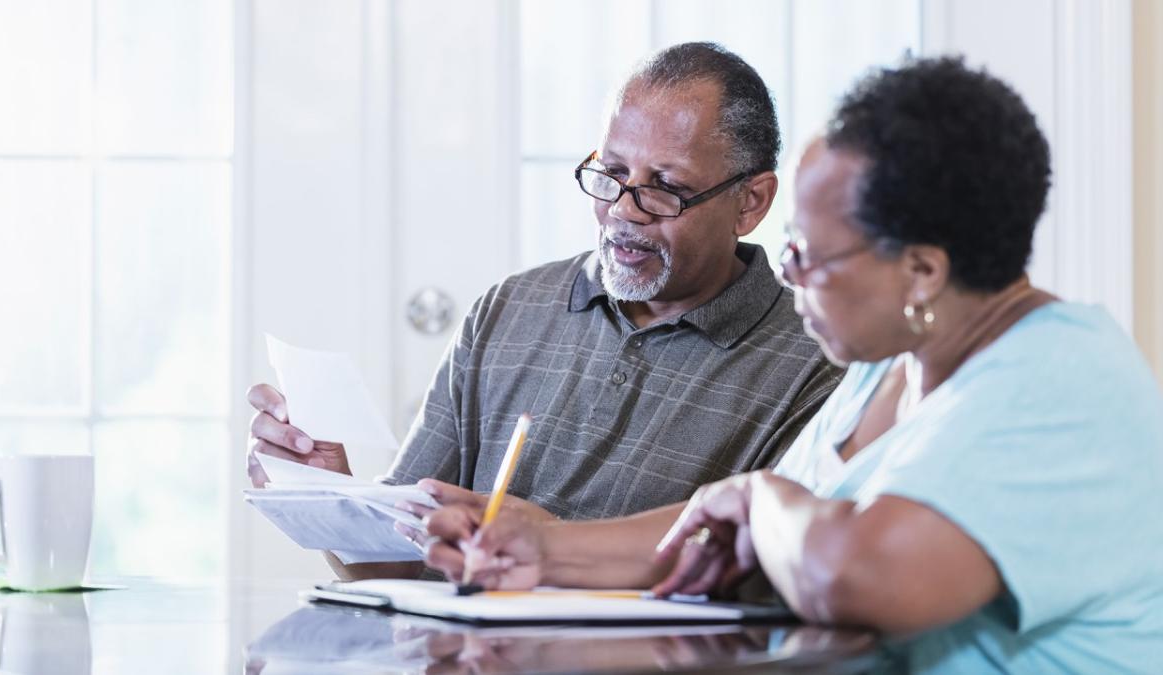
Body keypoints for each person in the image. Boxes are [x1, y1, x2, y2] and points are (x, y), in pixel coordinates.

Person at [423, 57, 1163, 674]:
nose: (788, 273)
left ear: (922, 272)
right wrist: (544, 548)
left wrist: (761, 494)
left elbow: (856, 573)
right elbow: (727, 541)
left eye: (809, 253)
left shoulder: (1068, 383)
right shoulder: (890, 370)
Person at [245, 42, 840, 580]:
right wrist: (328, 488)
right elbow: (397, 566)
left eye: (665, 187)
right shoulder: (508, 311)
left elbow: (774, 587)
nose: (624, 211)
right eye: (609, 174)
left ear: (752, 201)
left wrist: (551, 547)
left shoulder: (816, 360)